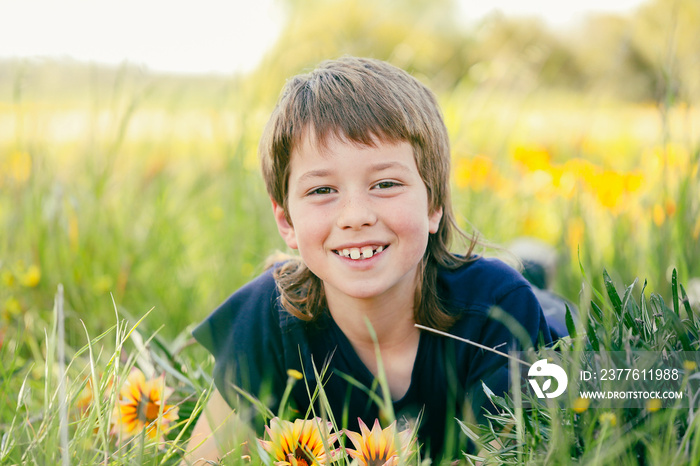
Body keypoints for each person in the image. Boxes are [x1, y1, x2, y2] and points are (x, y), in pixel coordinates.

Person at [186, 56, 555, 464]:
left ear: (433, 204)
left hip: (539, 319)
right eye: (322, 191)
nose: (356, 215)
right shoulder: (265, 319)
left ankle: (532, 268)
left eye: (385, 184)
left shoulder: (497, 308)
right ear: (286, 221)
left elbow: (518, 453)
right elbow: (201, 458)